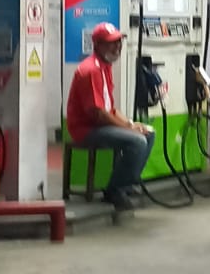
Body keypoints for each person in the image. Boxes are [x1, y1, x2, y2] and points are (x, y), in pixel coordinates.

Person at [66, 22, 155, 212]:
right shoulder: (91, 70)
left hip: (100, 125)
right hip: (87, 129)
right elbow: (98, 114)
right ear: (97, 45)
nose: (117, 47)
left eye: (118, 42)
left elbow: (110, 109)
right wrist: (129, 129)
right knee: (138, 141)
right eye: (111, 43)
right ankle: (114, 191)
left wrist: (131, 123)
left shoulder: (104, 67)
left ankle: (126, 184)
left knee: (148, 133)